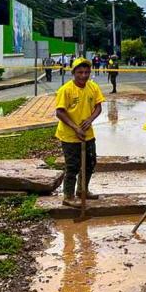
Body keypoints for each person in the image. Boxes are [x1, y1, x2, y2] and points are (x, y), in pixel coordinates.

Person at [54, 58, 104, 207]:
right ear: (74, 73)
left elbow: (98, 107)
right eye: (80, 72)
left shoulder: (93, 87)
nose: (84, 75)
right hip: (69, 135)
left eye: (87, 72)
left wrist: (89, 120)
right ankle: (68, 196)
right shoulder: (66, 90)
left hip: (88, 133)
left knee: (90, 162)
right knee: (73, 166)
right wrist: (75, 128)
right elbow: (60, 112)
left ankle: (83, 190)